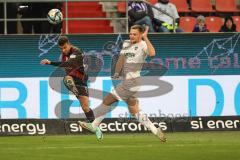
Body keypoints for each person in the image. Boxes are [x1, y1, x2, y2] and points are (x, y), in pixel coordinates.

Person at [79, 25, 166, 142]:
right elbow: (121, 58)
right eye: (130, 33)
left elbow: (152, 54)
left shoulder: (143, 45)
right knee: (134, 110)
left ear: (140, 35)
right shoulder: (126, 43)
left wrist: (146, 38)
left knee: (107, 100)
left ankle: (94, 125)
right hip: (128, 81)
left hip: (133, 82)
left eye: (135, 34)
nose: (131, 36)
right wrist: (116, 72)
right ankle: (155, 130)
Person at [40, 36, 99, 126]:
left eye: (64, 47)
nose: (63, 50)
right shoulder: (64, 54)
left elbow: (68, 63)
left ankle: (95, 126)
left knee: (85, 107)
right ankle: (74, 90)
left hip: (81, 80)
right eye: (61, 48)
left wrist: (50, 62)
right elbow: (65, 66)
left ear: (69, 44)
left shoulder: (76, 51)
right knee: (67, 78)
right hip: (72, 78)